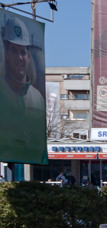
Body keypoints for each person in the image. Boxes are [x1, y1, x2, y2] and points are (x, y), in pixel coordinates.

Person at [0, 15, 46, 160]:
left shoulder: (38, 99)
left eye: (23, 52)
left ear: (28, 56)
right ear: (6, 53)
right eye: (14, 50)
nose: (19, 58)